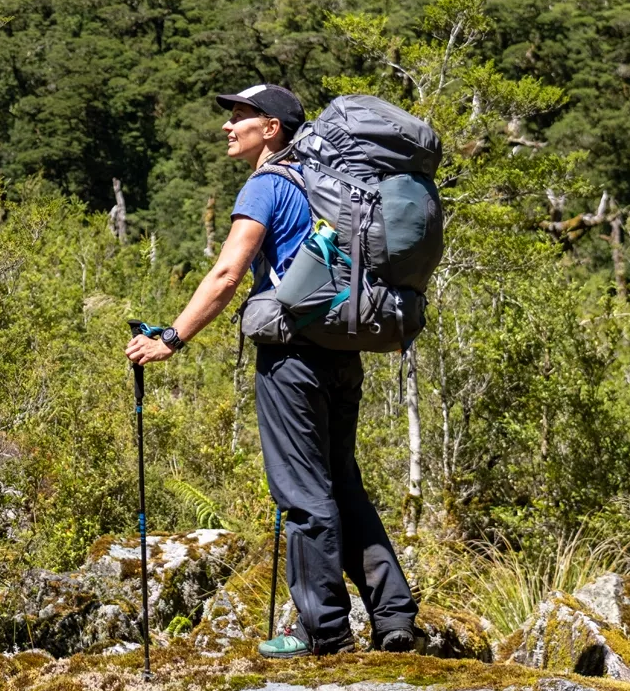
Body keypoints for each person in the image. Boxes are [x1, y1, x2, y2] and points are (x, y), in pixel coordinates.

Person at [123, 82, 420, 657]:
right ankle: (393, 617)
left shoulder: (268, 184)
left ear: (273, 128)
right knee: (342, 483)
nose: (228, 126)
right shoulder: (328, 185)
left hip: (291, 359)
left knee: (303, 492)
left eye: (241, 116)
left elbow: (226, 275)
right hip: (343, 352)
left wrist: (173, 339)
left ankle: (321, 629)